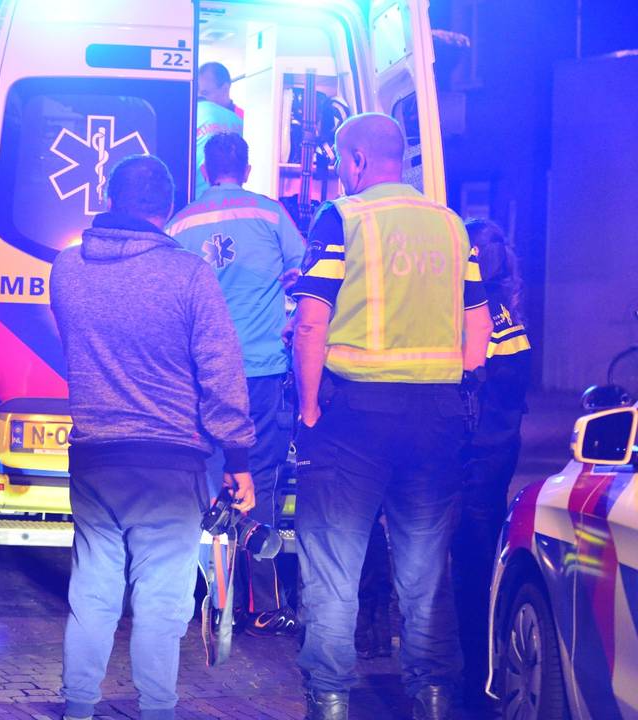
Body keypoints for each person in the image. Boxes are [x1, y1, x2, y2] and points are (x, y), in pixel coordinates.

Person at [288, 113, 494, 720]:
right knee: (426, 571)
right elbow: (478, 327)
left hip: (353, 419)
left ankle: (328, 702)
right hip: (434, 421)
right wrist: (459, 390)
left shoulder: (344, 217)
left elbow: (310, 320)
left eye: (337, 162)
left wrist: (307, 407)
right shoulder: (452, 225)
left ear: (354, 161)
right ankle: (433, 698)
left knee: (332, 565)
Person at [50, 154, 257, 720]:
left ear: (110, 198)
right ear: (167, 209)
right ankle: (158, 711)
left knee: (93, 590)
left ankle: (79, 707)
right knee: (161, 601)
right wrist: (238, 456)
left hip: (94, 456)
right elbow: (221, 371)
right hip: (171, 463)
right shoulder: (190, 274)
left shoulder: (66, 270)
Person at [167, 132, 305, 636]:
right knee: (260, 480)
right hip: (261, 371)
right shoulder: (271, 216)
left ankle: (200, 597)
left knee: (203, 481)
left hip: (202, 375)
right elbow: (304, 274)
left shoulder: (180, 222)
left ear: (205, 169)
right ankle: (261, 602)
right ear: (246, 168)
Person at [451, 218, 532, 706]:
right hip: (497, 451)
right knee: (477, 564)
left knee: (471, 570)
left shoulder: (474, 312)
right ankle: (483, 673)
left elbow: (468, 383)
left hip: (477, 456)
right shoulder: (506, 311)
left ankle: (475, 685)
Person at [195, 62, 245, 198]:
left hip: (232, 198)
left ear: (225, 88)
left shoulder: (245, 118)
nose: (199, 98)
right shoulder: (193, 115)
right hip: (202, 197)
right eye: (197, 93)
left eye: (205, 93)